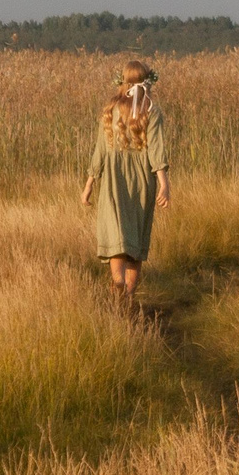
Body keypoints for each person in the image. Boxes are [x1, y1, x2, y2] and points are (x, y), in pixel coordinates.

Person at [81, 58, 169, 306]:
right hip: (142, 180)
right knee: (136, 238)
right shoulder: (151, 110)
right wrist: (164, 183)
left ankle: (117, 283)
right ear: (148, 81)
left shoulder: (111, 109)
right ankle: (128, 297)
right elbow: (156, 150)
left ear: (123, 80)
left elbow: (100, 149)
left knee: (116, 233)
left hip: (113, 179)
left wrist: (89, 184)